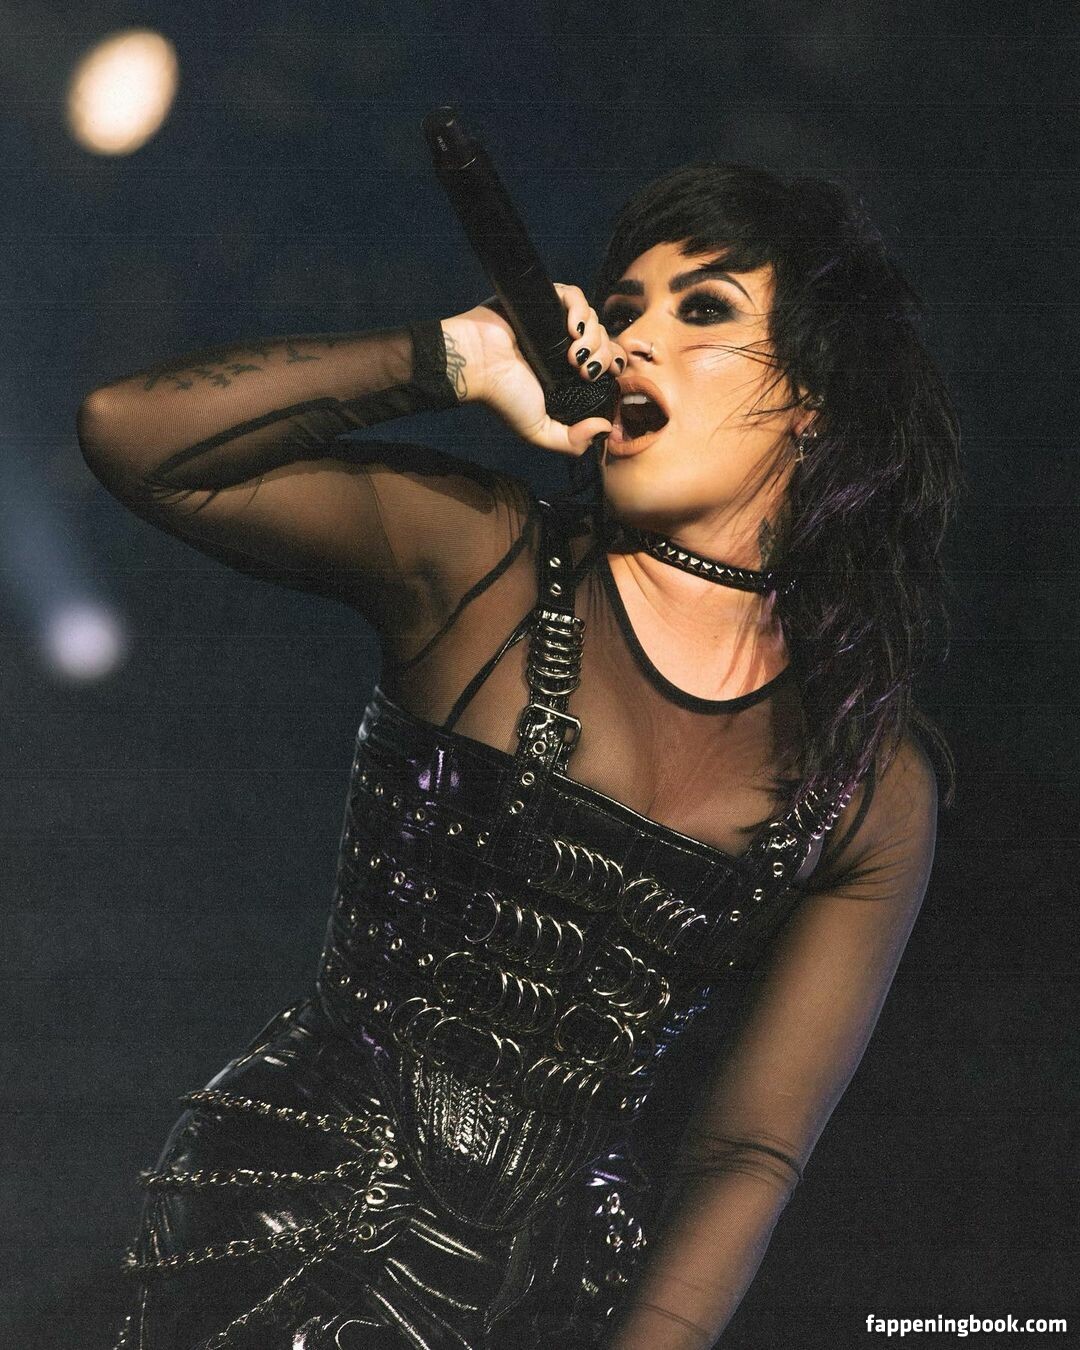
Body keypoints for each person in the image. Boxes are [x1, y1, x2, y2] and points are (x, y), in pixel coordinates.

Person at [78, 161, 961, 1350]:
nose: (634, 339)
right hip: (286, 1246)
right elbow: (132, 436)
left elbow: (748, 1152)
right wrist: (457, 357)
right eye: (624, 308)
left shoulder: (867, 780)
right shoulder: (484, 561)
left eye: (703, 309)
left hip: (545, 1310)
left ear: (816, 396)